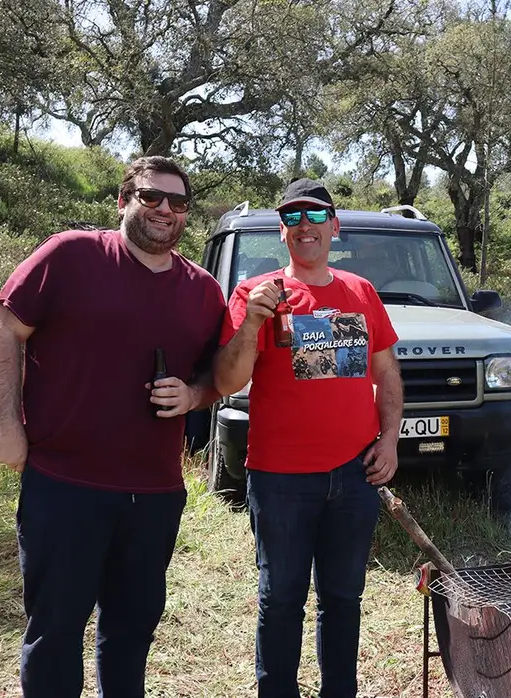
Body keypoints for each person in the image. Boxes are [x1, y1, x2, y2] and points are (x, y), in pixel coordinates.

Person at [0, 156, 226, 697]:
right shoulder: (71, 255)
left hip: (156, 493)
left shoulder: (203, 290)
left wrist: (193, 394)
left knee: (132, 631)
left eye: (178, 203)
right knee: (55, 631)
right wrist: (8, 425)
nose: (166, 209)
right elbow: (3, 326)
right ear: (123, 200)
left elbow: (218, 375)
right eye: (151, 197)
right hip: (65, 484)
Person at [213, 178, 404, 698]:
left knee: (343, 598)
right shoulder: (256, 293)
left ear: (334, 229)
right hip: (280, 478)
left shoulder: (360, 292)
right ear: (282, 232)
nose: (305, 227)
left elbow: (386, 373)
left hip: (354, 473)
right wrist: (252, 322)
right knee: (281, 599)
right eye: (294, 218)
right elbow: (228, 381)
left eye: (316, 217)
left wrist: (389, 441)